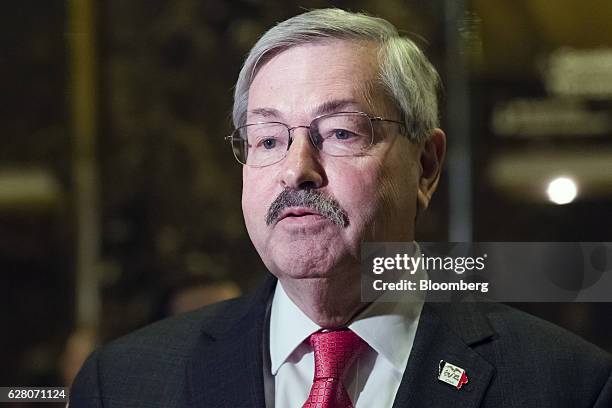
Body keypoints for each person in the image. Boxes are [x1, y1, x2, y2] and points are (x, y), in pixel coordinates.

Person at [70, 8, 612, 407]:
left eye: (341, 132)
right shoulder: (123, 384)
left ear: (425, 165)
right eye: (266, 139)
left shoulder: (566, 385)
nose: (296, 168)